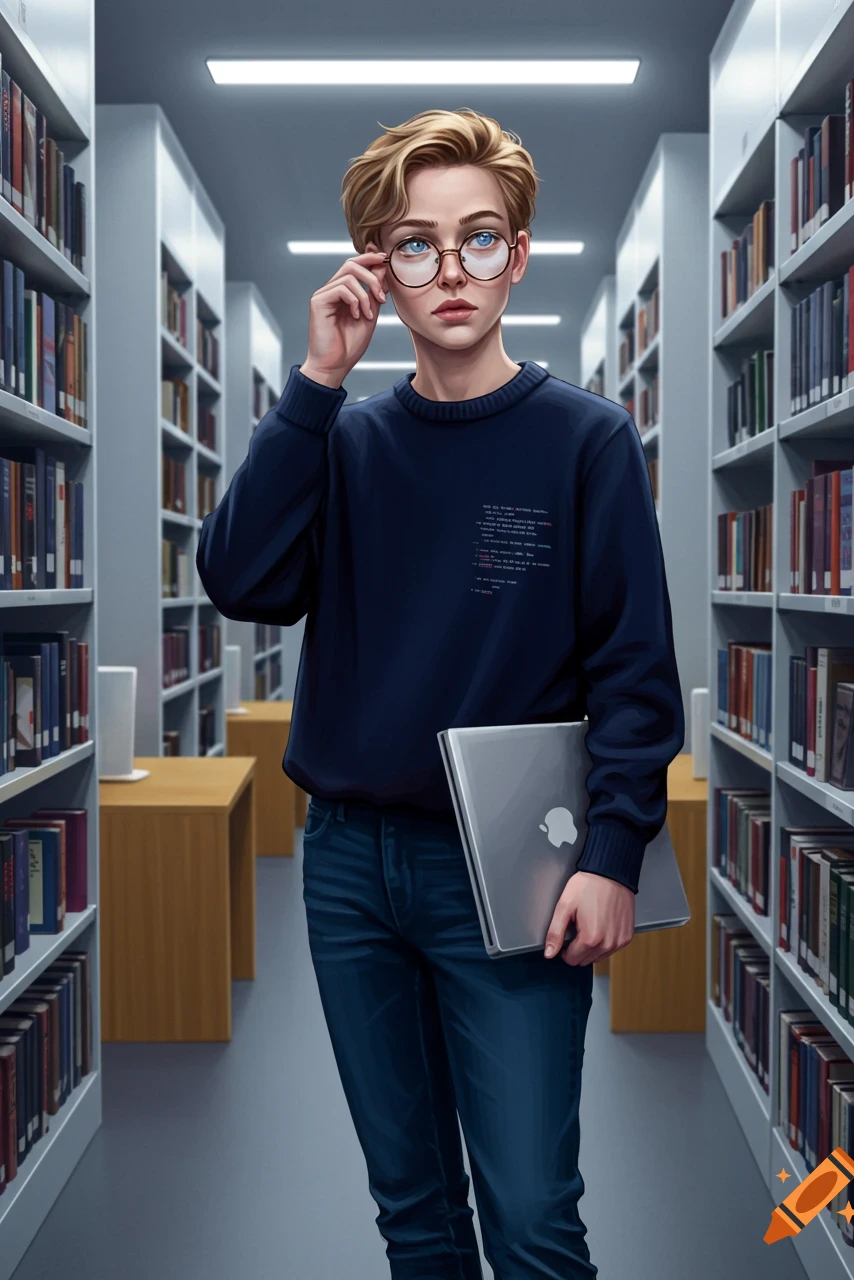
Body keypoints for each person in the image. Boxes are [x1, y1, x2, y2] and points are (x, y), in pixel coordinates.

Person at [197, 107, 685, 1280]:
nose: (449, 270)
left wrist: (615, 849)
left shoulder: (588, 439)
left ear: (517, 253)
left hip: (512, 860)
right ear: (378, 265)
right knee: (411, 1208)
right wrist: (315, 380)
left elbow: (632, 668)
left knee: (527, 1212)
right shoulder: (345, 440)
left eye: (478, 239)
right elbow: (241, 577)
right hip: (350, 864)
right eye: (414, 244)